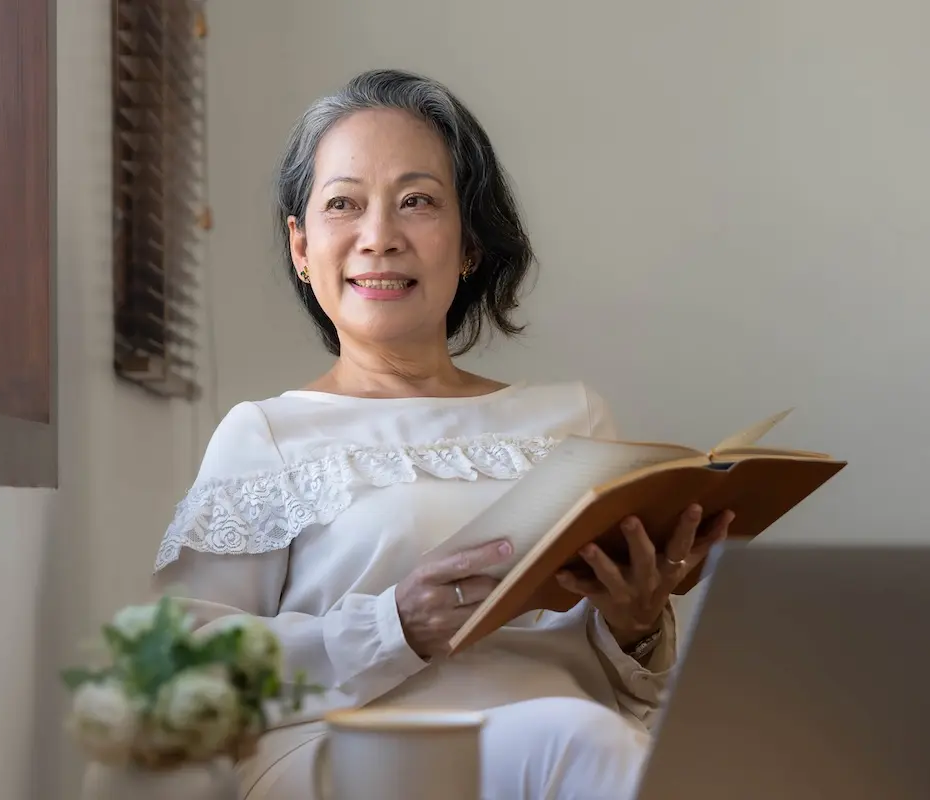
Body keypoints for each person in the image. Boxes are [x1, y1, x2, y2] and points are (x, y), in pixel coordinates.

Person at [152, 68, 733, 800]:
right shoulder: (267, 433)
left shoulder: (575, 419)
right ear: (301, 247)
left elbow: (625, 686)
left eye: (417, 202)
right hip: (356, 758)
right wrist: (394, 627)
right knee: (580, 739)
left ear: (469, 245)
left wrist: (635, 624)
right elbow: (180, 671)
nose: (379, 237)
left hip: (576, 747)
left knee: (629, 742)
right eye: (343, 205)